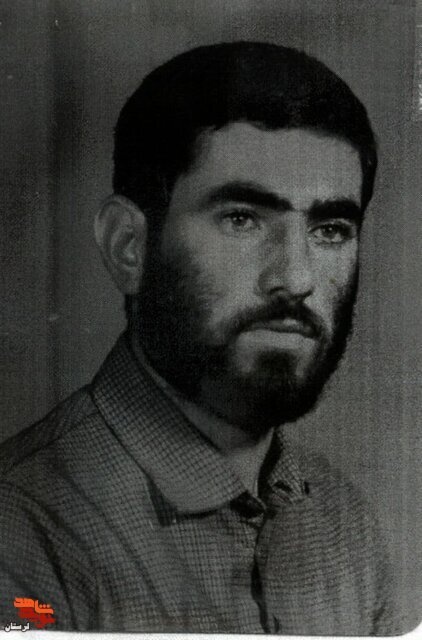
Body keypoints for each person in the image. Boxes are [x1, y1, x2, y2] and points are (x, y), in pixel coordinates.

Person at [0, 42, 401, 634]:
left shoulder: (345, 526)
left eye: (331, 230)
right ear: (128, 246)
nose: (296, 278)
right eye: (242, 219)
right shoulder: (24, 525)